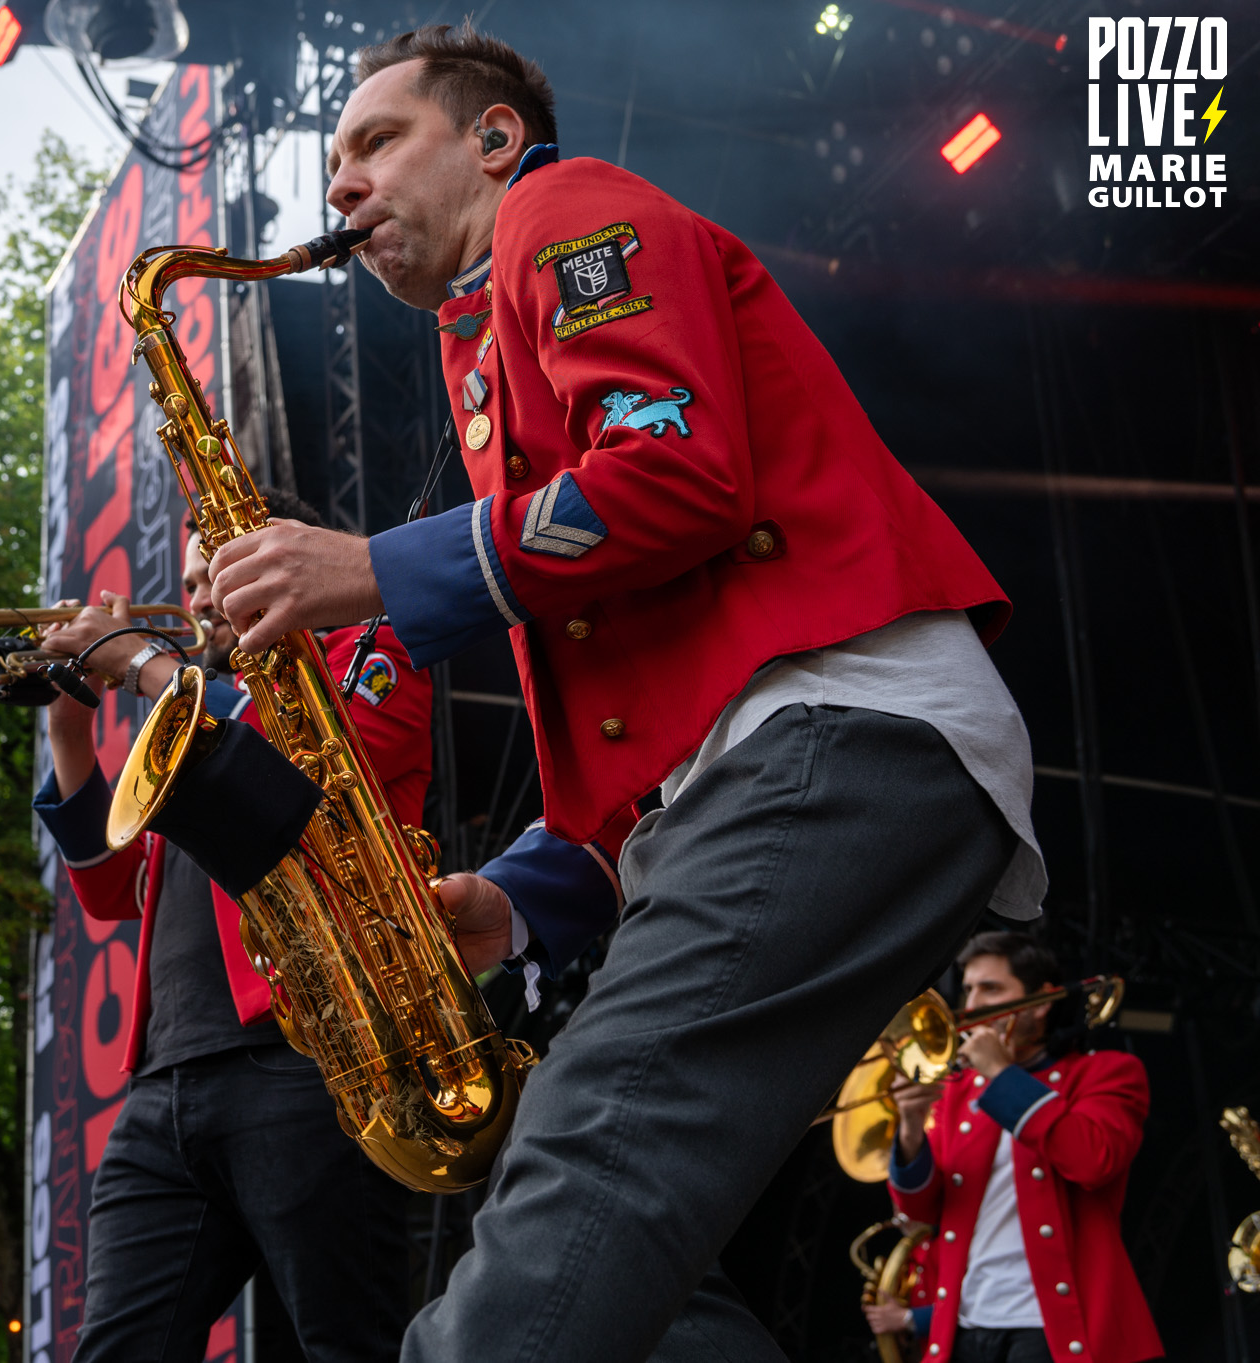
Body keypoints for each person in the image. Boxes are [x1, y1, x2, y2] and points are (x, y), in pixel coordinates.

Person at [206, 22, 1048, 1363]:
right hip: (796, 755)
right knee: (602, 1206)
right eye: (333, 161)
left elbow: (677, 475)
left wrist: (366, 569)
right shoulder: (482, 333)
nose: (341, 187)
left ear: (492, 139)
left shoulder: (566, 208)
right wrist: (535, 892)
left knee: (592, 1151)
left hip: (840, 728)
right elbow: (651, 705)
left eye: (375, 142)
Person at [31, 487, 427, 1363]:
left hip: (310, 1063)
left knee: (346, 1344)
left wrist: (143, 667)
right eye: (192, 581)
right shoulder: (196, 709)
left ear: (281, 559)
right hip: (165, 1085)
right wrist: (68, 728)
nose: (199, 600)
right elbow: (114, 895)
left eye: (215, 576)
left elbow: (304, 788)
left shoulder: (369, 648)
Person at [872, 933, 1160, 1363]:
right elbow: (922, 1215)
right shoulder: (959, 1094)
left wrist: (1001, 1074)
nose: (971, 1004)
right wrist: (911, 1128)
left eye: (991, 988)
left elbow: (1093, 1161)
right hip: (966, 1329)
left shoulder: (1107, 1073)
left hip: (1054, 1329)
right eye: (968, 989)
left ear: (1041, 1003)